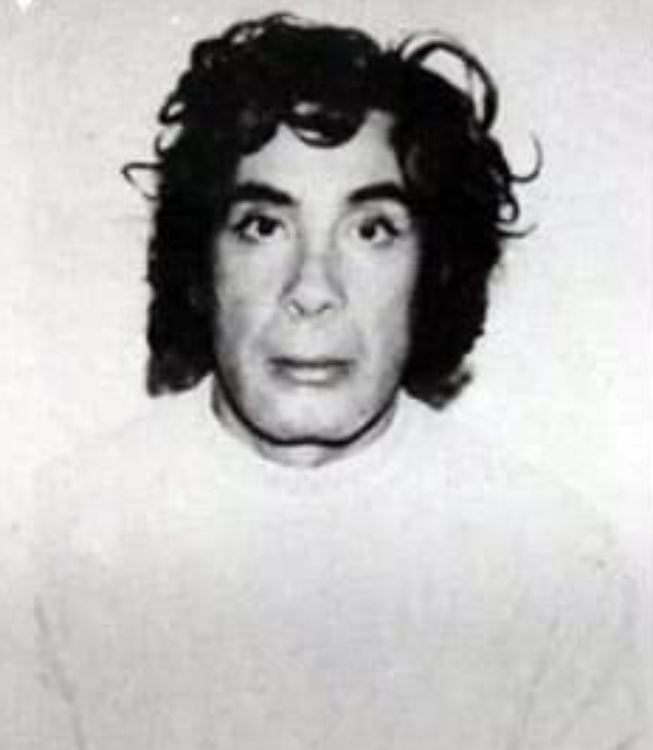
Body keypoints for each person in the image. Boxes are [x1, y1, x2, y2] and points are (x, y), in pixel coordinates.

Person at [34, 13, 644, 750]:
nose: (313, 288)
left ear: (433, 269)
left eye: (371, 230)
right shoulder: (50, 543)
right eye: (263, 225)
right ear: (202, 262)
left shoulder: (556, 566)